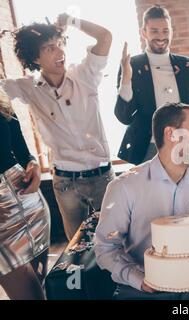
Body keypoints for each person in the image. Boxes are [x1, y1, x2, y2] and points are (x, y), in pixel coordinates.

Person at [0, 14, 115, 241]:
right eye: (50, 48)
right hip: (65, 185)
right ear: (35, 57)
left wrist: (71, 21)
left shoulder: (85, 75)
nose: (60, 52)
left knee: (116, 240)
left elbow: (105, 36)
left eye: (60, 44)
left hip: (103, 178)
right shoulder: (29, 88)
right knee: (76, 250)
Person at [95, 102, 189, 300]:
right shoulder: (124, 187)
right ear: (171, 134)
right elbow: (105, 247)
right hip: (142, 289)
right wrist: (138, 278)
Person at [116, 5, 189, 165]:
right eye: (154, 31)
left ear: (171, 31)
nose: (161, 36)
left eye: (165, 31)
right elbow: (124, 117)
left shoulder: (187, 65)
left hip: (187, 144)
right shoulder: (131, 65)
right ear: (144, 32)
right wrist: (126, 82)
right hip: (149, 148)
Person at [0, 82, 50, 300]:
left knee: (44, 289)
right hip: (2, 222)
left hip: (30, 203)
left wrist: (33, 165)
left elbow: (21, 150)